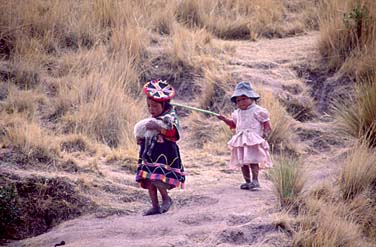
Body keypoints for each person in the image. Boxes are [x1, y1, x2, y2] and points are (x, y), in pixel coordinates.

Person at [135, 79, 185, 216]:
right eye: (149, 106)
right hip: (149, 153)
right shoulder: (152, 118)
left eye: (155, 107)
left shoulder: (170, 117)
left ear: (164, 105)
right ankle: (155, 206)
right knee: (149, 180)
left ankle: (166, 198)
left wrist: (158, 127)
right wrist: (140, 139)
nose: (152, 110)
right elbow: (145, 132)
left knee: (157, 178)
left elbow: (174, 134)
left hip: (166, 154)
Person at [218, 81, 272, 191]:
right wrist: (224, 119)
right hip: (240, 140)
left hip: (252, 140)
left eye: (243, 99)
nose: (241, 102)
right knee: (243, 162)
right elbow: (234, 124)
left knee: (253, 160)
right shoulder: (237, 113)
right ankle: (248, 181)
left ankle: (255, 180)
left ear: (252, 98)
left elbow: (266, 124)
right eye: (238, 100)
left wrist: (265, 133)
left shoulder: (257, 110)